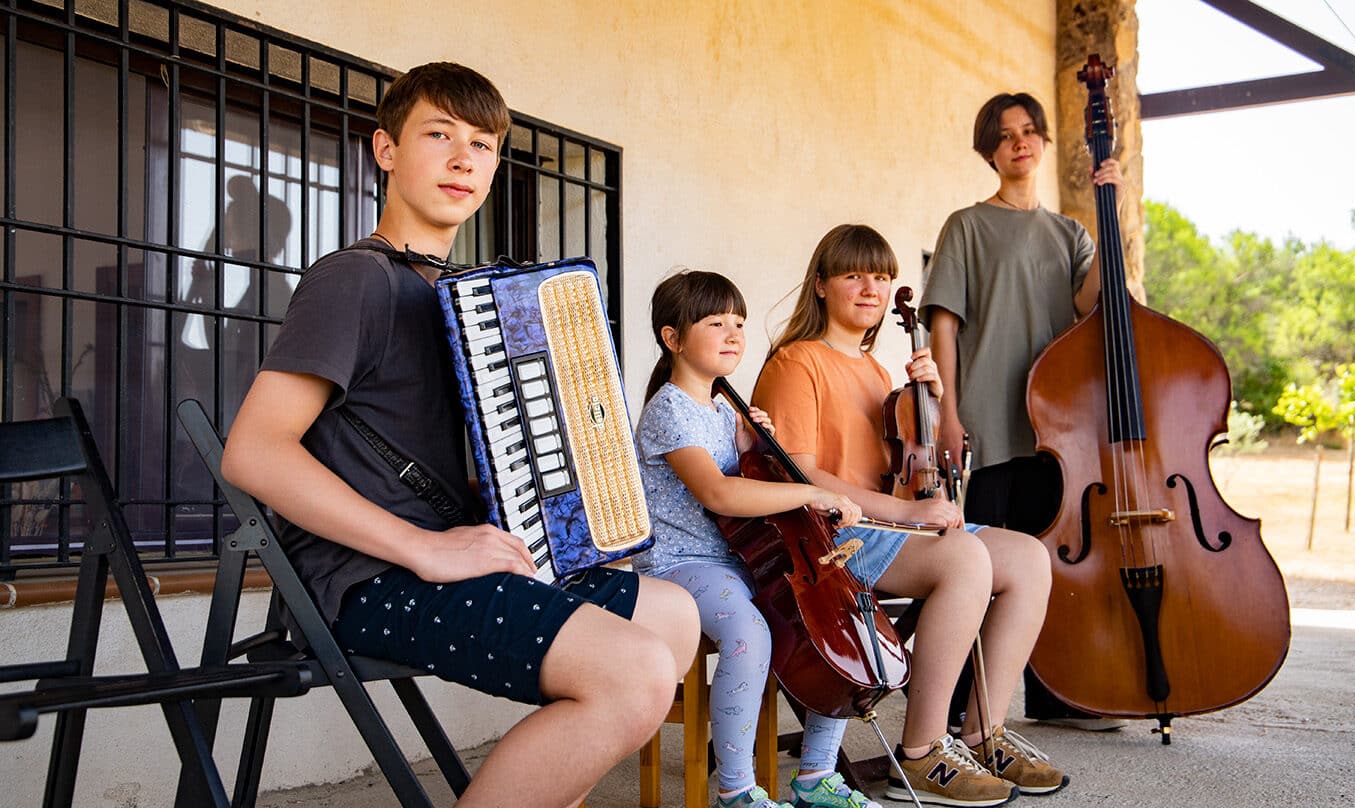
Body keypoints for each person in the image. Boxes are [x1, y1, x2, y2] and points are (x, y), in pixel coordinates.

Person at [222, 62, 699, 808]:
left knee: (673, 612)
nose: (461, 159)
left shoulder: (459, 296)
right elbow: (253, 452)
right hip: (364, 578)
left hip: (456, 557)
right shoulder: (356, 279)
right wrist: (427, 547)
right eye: (438, 134)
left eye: (481, 144)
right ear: (385, 149)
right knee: (632, 672)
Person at [752, 225, 1068, 807]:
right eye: (853, 275)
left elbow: (913, 466)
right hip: (833, 534)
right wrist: (908, 511)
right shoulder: (797, 363)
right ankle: (921, 753)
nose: (870, 288)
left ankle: (982, 734)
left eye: (881, 276)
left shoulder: (877, 373)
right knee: (964, 559)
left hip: (888, 526)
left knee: (1028, 557)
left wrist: (936, 398)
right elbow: (798, 477)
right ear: (821, 286)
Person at [919, 91, 1125, 731]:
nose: (1020, 142)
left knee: (1051, 560)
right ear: (989, 150)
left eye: (1030, 131)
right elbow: (944, 325)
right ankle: (955, 709)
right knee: (979, 568)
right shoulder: (967, 225)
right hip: (986, 414)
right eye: (1005, 135)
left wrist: (1106, 205)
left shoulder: (1070, 232)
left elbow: (1097, 301)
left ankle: (1058, 696)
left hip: (1056, 427)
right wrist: (948, 412)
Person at [634, 269, 866, 808]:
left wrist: (749, 444)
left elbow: (746, 483)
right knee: (748, 632)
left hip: (734, 561)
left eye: (738, 321)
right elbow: (720, 494)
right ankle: (736, 791)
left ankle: (815, 777)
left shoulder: (721, 409)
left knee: (831, 626)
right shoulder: (669, 409)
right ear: (673, 338)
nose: (734, 333)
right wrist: (809, 495)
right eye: (716, 322)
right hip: (679, 565)